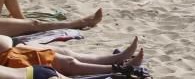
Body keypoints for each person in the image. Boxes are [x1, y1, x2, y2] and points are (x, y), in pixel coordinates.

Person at [0, 34, 143, 77]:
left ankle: (115, 60)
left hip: (13, 48)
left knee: (67, 54)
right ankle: (116, 68)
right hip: (8, 58)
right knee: (69, 62)